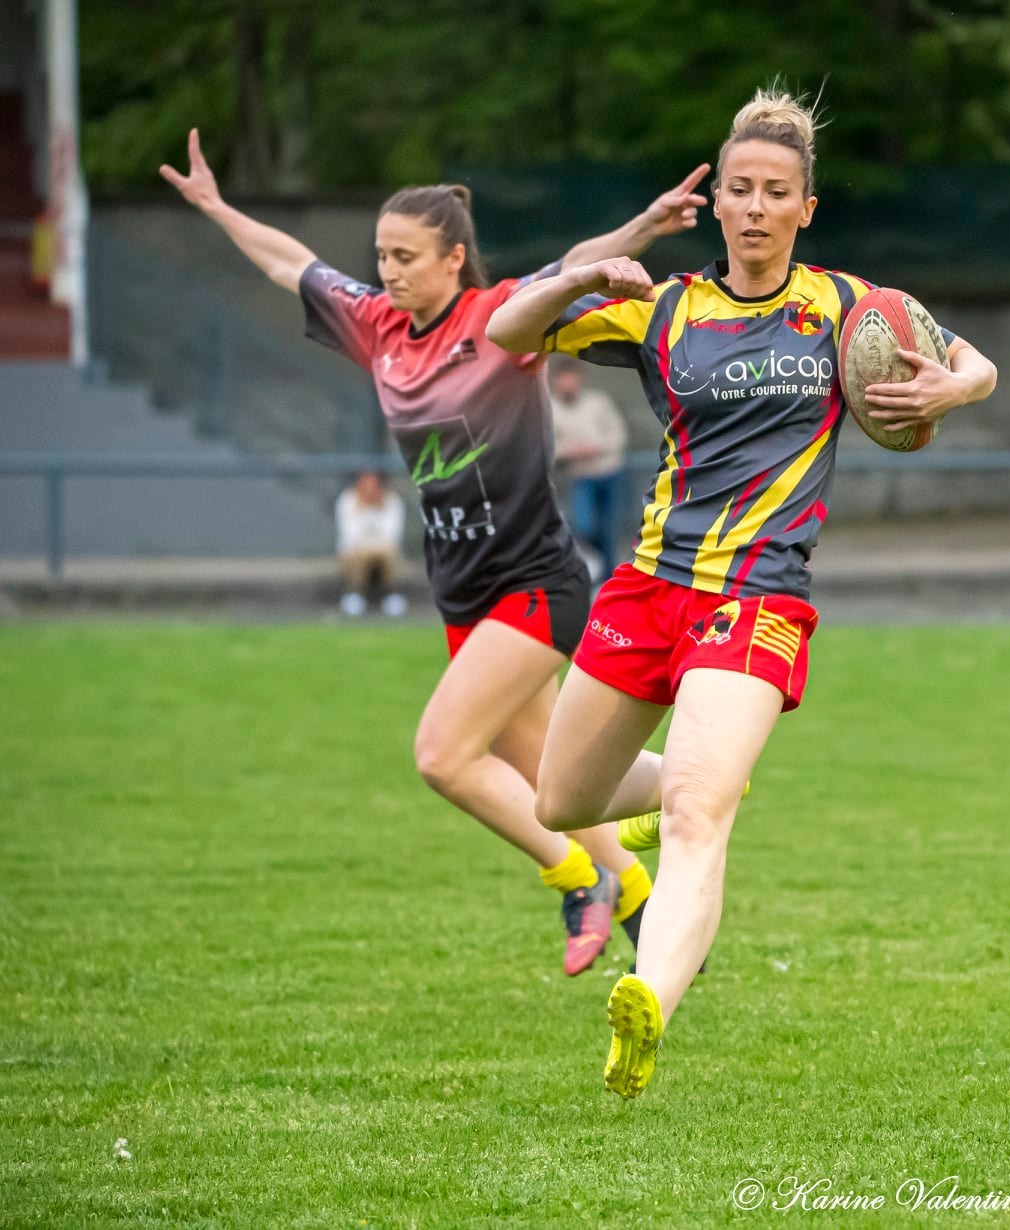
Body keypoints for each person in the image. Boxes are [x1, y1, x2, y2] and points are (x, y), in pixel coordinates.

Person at [486, 85, 999, 1098]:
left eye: (778, 193)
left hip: (759, 598)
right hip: (644, 590)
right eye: (740, 190)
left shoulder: (849, 306)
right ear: (715, 201)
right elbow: (508, 330)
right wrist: (584, 271)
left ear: (807, 209)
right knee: (561, 797)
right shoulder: (662, 307)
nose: (756, 207)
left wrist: (955, 386)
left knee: (696, 815)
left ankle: (651, 1001)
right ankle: (690, 780)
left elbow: (971, 359)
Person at [161, 128, 711, 975]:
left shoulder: (498, 319)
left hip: (536, 582)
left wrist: (642, 226)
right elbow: (289, 263)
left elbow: (574, 263)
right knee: (551, 777)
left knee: (446, 755)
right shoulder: (376, 326)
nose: (388, 270)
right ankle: (641, 883)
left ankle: (581, 879)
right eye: (381, 255)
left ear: (455, 258)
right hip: (462, 591)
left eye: (406, 255)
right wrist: (218, 207)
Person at [549, 361, 629, 575]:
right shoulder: (551, 409)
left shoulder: (598, 402)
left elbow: (618, 434)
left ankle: (608, 576)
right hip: (579, 477)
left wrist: (597, 448)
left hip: (609, 473)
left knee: (609, 530)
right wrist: (570, 452)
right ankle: (598, 564)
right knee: (585, 526)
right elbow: (548, 447)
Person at [335, 469, 407, 617]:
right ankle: (355, 593)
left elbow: (391, 536)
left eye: (374, 483)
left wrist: (376, 508)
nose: (370, 488)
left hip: (383, 550)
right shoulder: (348, 499)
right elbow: (350, 536)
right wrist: (364, 509)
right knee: (361, 554)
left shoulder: (392, 500)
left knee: (389, 552)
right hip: (355, 551)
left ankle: (390, 595)